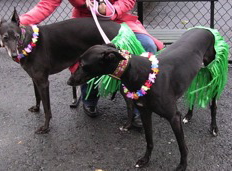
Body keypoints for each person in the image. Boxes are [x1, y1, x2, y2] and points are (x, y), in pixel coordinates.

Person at [20, 0, 164, 127]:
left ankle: (138, 105)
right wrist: (18, 23)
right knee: (88, 59)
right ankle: (89, 95)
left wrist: (110, 10)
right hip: (83, 26)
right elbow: (46, 4)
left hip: (118, 21)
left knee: (147, 45)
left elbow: (128, 1)